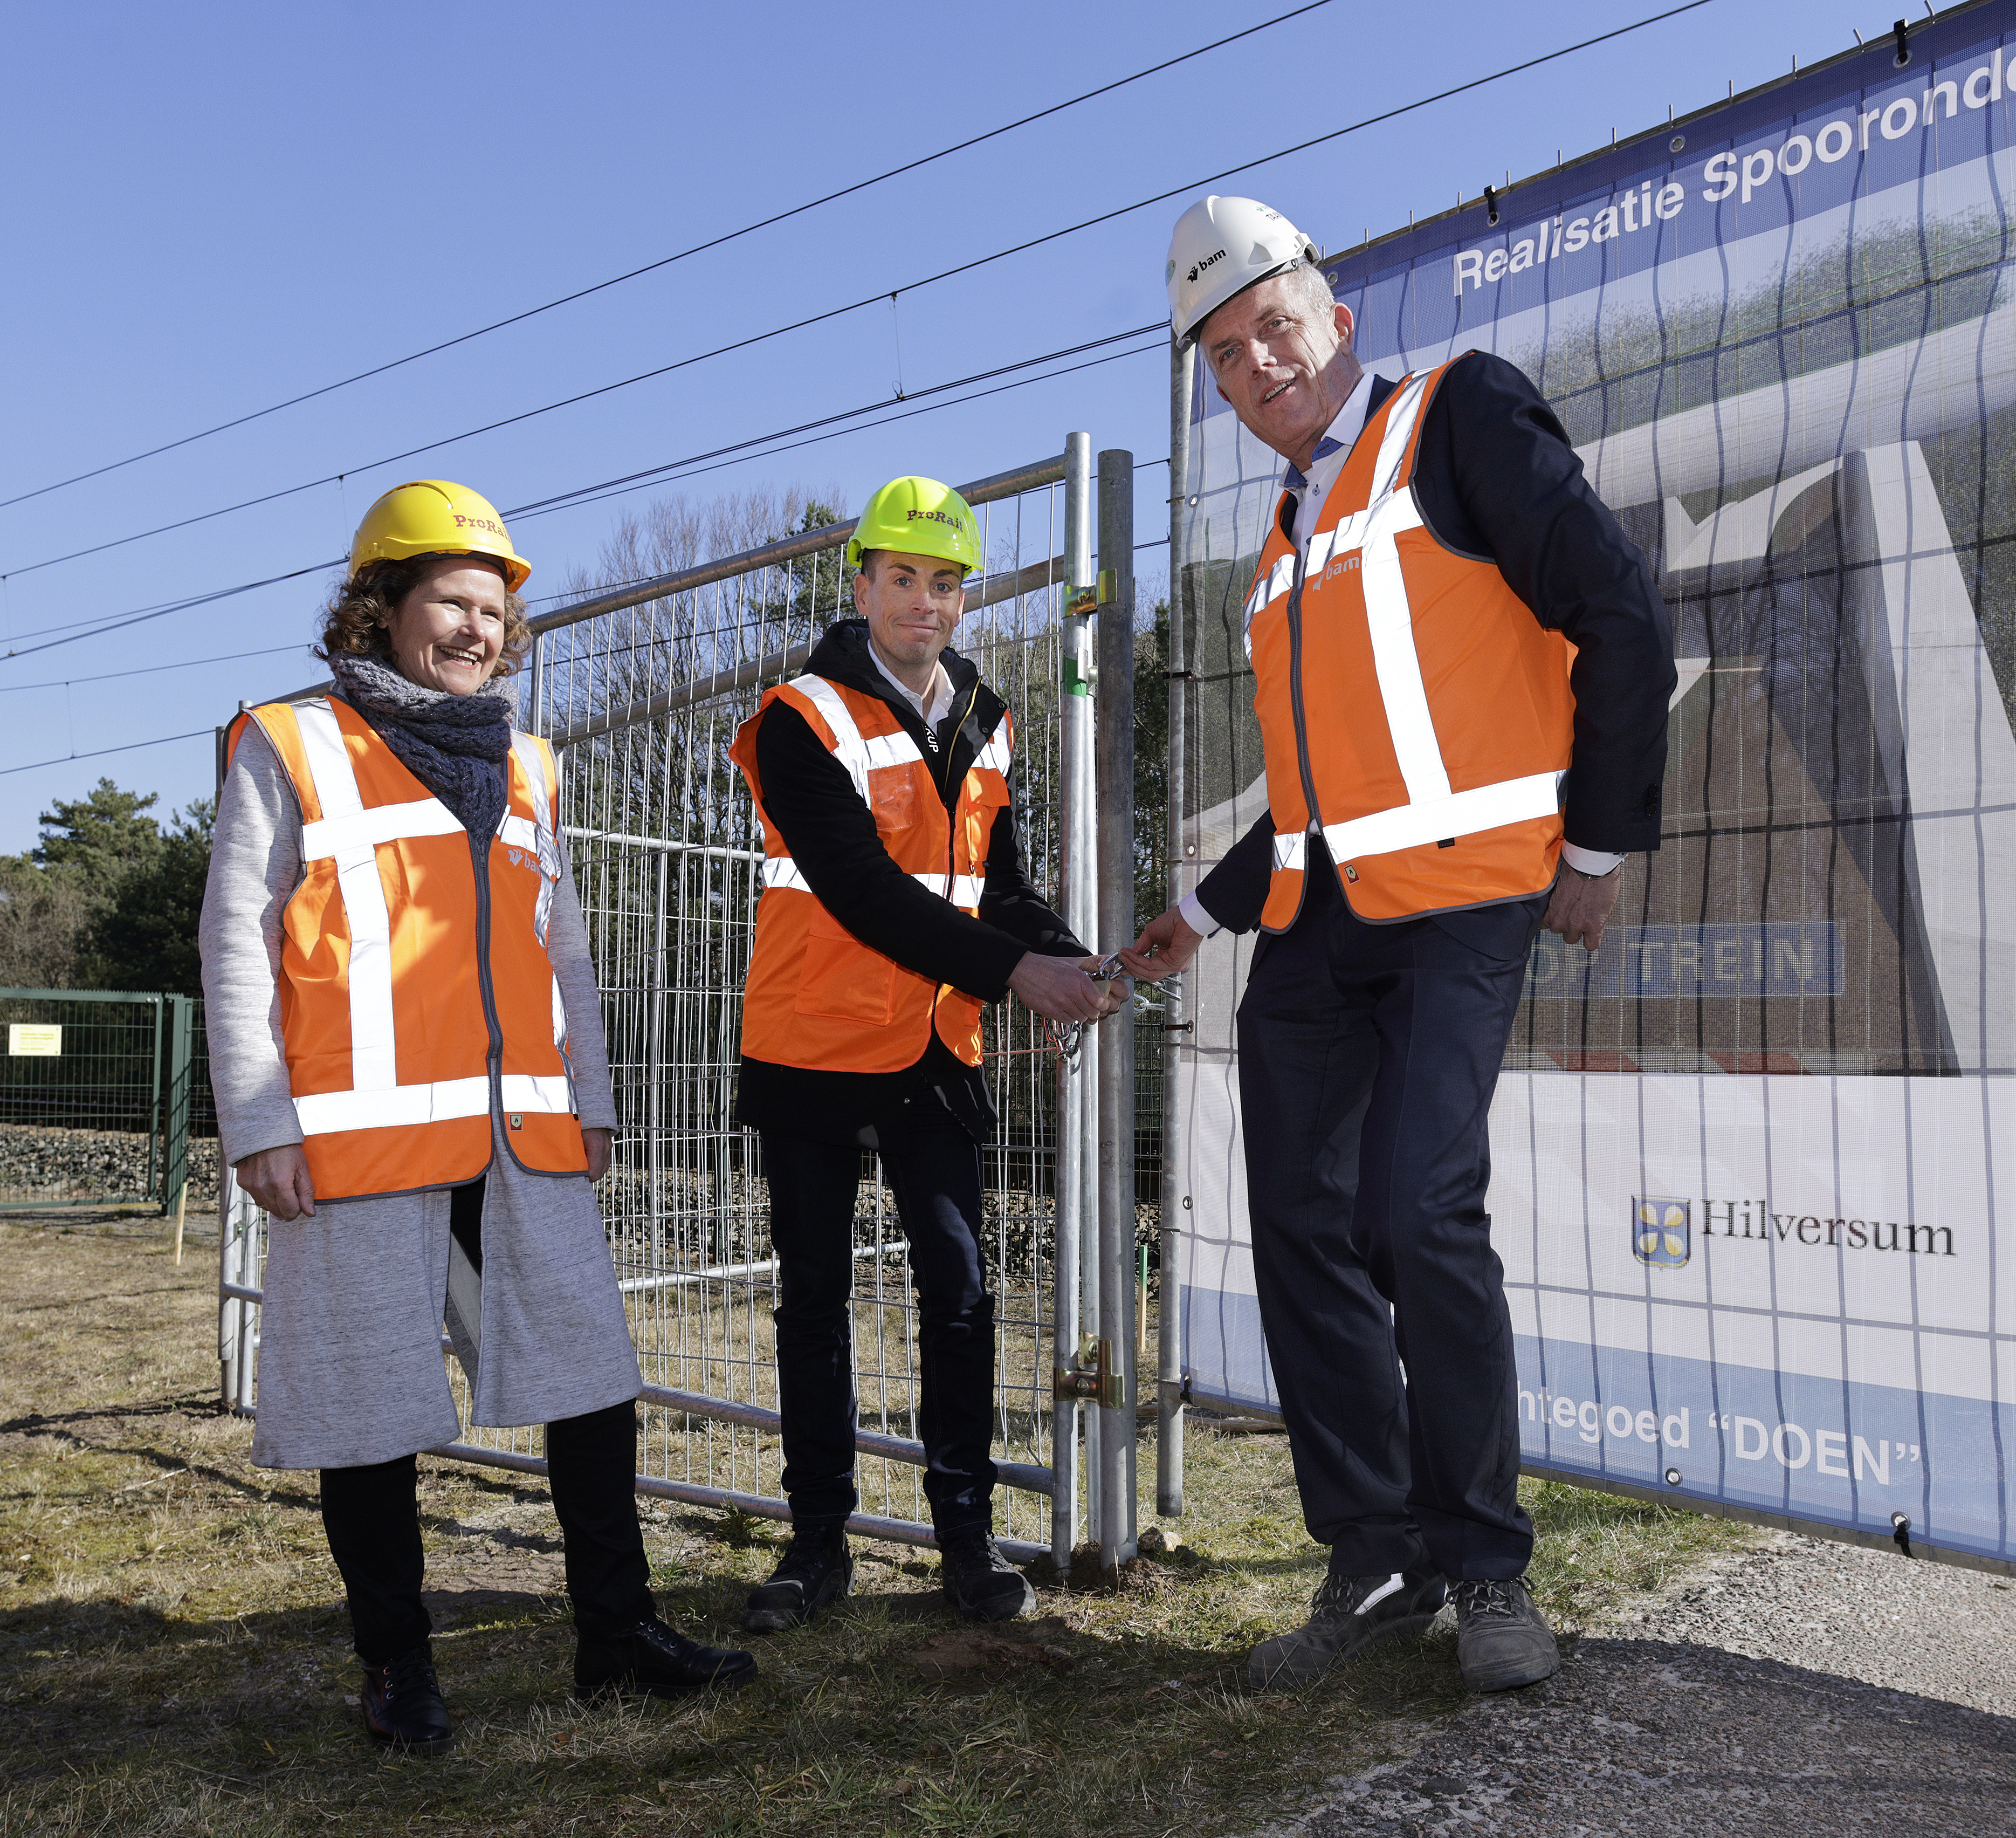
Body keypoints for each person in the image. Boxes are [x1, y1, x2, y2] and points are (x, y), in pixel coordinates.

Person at [1121, 197, 1676, 1695]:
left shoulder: (1458, 414)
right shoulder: (1281, 537)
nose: (1256, 369)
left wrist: (1597, 843)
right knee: (1301, 1221)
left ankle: (1486, 1561)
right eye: (1225, 359)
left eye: (1273, 329)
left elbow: (1620, 611)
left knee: (1417, 1207)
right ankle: (1375, 1552)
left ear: (1336, 317)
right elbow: (1321, 787)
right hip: (1320, 921)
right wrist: (1202, 906)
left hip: (1468, 901)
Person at [201, 479, 755, 1755]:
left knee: (592, 1379)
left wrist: (593, 1096)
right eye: (449, 600)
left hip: (522, 1134)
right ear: (383, 606)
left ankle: (616, 1638)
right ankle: (397, 1670)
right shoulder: (288, 743)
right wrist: (257, 1117)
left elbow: (563, 951)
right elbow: (234, 939)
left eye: (494, 608)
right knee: (370, 1405)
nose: (474, 627)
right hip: (358, 1137)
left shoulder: (530, 764)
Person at [726, 476, 1124, 1633]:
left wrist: (1078, 957)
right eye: (901, 577)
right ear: (860, 585)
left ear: (964, 596)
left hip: (935, 1044)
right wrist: (1019, 974)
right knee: (814, 1297)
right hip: (811, 1039)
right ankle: (816, 1544)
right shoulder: (799, 715)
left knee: (958, 1291)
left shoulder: (986, 721)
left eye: (944, 581)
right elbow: (856, 889)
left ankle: (965, 1538)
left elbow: (988, 888)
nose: (924, 601)